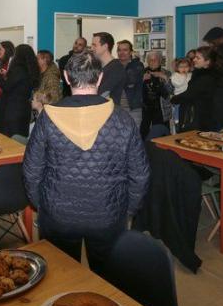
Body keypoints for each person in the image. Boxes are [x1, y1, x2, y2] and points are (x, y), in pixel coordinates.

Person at [23, 50, 149, 275]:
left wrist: (41, 205)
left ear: (66, 77)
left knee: (59, 277)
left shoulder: (48, 118)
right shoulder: (122, 119)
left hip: (57, 213)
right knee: (107, 280)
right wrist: (127, 209)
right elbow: (140, 174)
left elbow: (32, 170)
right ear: (99, 78)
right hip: (108, 213)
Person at [171, 46, 223, 132]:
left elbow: (190, 94)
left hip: (201, 117)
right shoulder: (198, 73)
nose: (194, 59)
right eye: (195, 57)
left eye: (198, 58)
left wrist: (173, 99)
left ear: (207, 61)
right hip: (197, 114)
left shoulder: (207, 77)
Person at [0, 44, 40, 138]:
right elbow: (19, 84)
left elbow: (7, 87)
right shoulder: (32, 69)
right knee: (19, 142)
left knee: (6, 142)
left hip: (11, 111)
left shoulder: (18, 69)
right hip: (24, 110)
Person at [140, 51, 174, 140]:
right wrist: (141, 80)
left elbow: (171, 91)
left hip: (161, 109)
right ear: (147, 61)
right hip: (144, 108)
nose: (152, 62)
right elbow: (134, 91)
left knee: (162, 134)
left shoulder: (167, 73)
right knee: (144, 133)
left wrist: (165, 78)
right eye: (150, 60)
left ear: (160, 61)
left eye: (155, 60)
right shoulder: (141, 72)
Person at [92, 32, 126, 106]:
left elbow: (102, 93)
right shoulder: (98, 67)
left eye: (94, 45)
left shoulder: (116, 68)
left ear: (105, 46)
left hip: (110, 113)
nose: (92, 48)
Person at [117, 40, 144, 128]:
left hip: (133, 108)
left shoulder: (137, 65)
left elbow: (131, 80)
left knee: (134, 137)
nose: (122, 53)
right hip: (116, 109)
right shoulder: (114, 65)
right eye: (119, 50)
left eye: (125, 50)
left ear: (131, 52)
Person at [171, 57, 192, 131]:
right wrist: (184, 77)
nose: (184, 69)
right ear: (177, 68)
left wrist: (187, 76)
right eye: (181, 67)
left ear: (189, 67)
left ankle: (185, 122)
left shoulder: (190, 75)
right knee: (177, 108)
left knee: (187, 113)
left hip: (188, 97)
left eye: (186, 67)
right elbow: (178, 84)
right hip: (178, 96)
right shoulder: (175, 76)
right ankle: (177, 120)